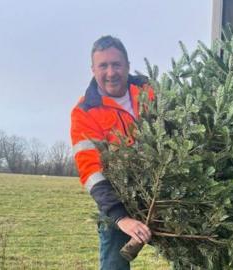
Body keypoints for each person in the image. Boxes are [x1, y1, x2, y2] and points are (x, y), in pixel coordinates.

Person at [70, 35, 154, 269]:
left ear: (127, 64)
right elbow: (91, 170)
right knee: (113, 263)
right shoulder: (85, 111)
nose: (111, 72)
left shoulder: (149, 92)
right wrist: (120, 217)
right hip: (116, 197)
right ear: (93, 69)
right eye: (103, 66)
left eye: (116, 64)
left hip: (164, 190)